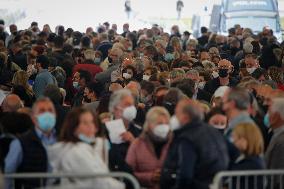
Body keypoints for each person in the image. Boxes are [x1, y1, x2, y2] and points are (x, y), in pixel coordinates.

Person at [160, 98, 229, 189]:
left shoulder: (187, 138)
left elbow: (185, 175)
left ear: (185, 116)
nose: (174, 118)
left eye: (176, 114)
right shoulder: (213, 131)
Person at [48, 107, 124, 189]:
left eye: (92, 122)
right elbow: (98, 180)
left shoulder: (85, 147)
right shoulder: (75, 151)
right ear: (74, 127)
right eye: (85, 123)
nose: (91, 127)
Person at [4, 98, 57, 189]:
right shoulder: (20, 143)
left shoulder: (62, 141)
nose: (47, 114)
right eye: (42, 111)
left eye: (50, 110)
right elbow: (8, 174)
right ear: (33, 117)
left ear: (55, 115)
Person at [126, 107, 171, 189]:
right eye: (160, 123)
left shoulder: (175, 143)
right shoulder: (137, 144)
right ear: (149, 124)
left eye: (166, 123)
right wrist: (149, 176)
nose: (164, 126)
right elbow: (128, 173)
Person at [107, 89, 142, 172]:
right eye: (127, 105)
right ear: (115, 108)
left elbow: (145, 159)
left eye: (132, 105)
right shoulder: (104, 130)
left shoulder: (140, 131)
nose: (131, 108)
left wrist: (133, 141)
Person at [229, 123, 265, 189]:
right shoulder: (252, 159)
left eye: (234, 137)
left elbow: (229, 170)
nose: (233, 141)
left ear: (244, 140)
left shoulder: (252, 163)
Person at [265, 98, 284, 169]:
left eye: (269, 112)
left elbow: (278, 171)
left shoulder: (281, 140)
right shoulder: (276, 134)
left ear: (277, 116)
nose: (267, 115)